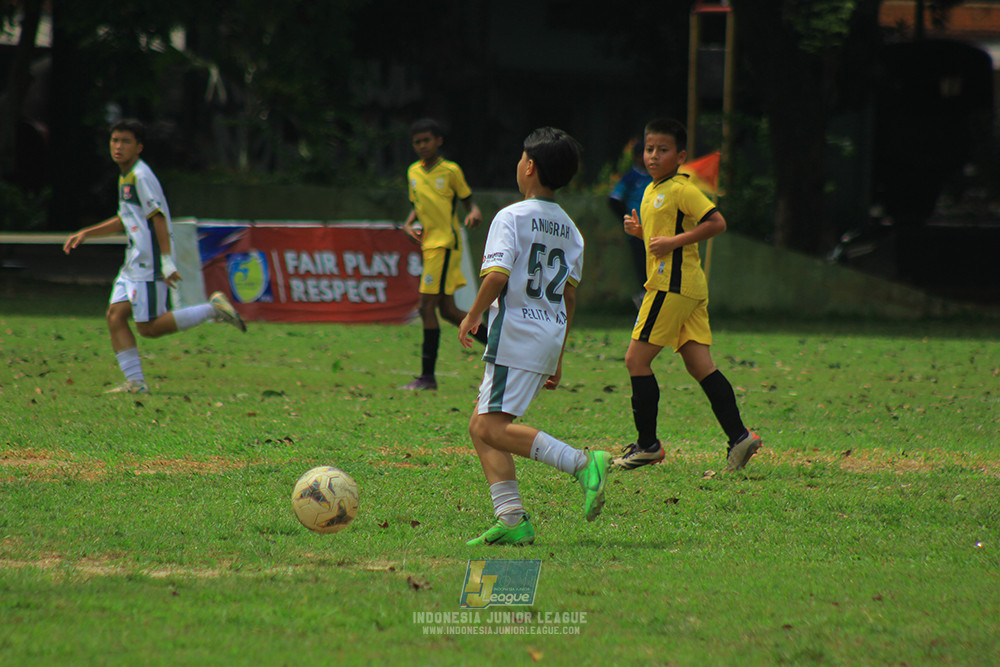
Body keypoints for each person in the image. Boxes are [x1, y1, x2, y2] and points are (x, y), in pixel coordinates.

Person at [458, 127, 610, 546]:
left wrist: (472, 315)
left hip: (516, 332)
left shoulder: (511, 216)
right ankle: (511, 520)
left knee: (489, 426)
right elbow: (570, 298)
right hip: (546, 333)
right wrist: (558, 356)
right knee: (481, 425)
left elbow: (497, 275)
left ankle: (583, 464)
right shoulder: (571, 230)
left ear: (529, 166)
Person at [614, 118, 761, 473]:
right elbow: (663, 239)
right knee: (700, 365)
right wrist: (641, 233)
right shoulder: (651, 190)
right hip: (688, 287)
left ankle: (648, 445)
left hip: (672, 286)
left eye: (662, 150)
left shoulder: (681, 188)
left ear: (679, 156)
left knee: (636, 360)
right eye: (649, 149)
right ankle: (740, 437)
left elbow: (716, 222)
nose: (653, 156)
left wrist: (671, 242)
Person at [63, 118, 246, 395]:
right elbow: (126, 218)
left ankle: (213, 309)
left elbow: (158, 217)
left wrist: (167, 261)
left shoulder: (141, 175)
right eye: (115, 140)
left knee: (148, 327)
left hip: (148, 263)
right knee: (115, 316)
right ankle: (136, 384)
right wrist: (88, 233)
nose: (118, 146)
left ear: (139, 147)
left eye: (126, 141)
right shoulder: (125, 175)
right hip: (133, 262)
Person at [400, 118, 486, 391]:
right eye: (417, 142)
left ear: (438, 141)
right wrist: (407, 223)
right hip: (429, 246)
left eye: (426, 140)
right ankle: (503, 345)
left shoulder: (450, 171)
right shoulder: (413, 172)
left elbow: (467, 201)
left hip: (445, 244)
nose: (422, 145)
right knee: (448, 311)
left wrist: (473, 212)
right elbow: (418, 203)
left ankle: (427, 377)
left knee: (425, 307)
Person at [608, 138, 652, 307]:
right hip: (638, 231)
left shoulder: (655, 176)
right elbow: (614, 199)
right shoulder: (631, 177)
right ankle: (645, 302)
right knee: (642, 266)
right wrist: (627, 219)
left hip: (656, 229)